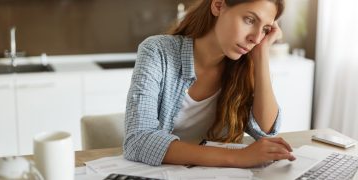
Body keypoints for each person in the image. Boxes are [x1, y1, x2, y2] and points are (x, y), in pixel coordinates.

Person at [123, 0, 296, 168]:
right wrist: (238, 157)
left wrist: (261, 53)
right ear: (218, 5)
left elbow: (264, 131)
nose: (256, 38)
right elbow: (138, 140)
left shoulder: (246, 66)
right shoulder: (157, 52)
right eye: (250, 20)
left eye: (265, 29)